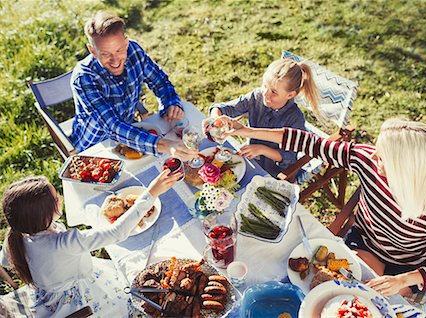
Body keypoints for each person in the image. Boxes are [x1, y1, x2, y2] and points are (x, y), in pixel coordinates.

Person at [224, 117, 426, 298]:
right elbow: (308, 142)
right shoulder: (368, 160)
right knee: (334, 289)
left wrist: (402, 280)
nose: (373, 156)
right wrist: (245, 131)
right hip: (365, 243)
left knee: (375, 302)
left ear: (406, 168)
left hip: (407, 269)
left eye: (383, 158)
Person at [0, 170, 180, 317]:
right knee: (123, 298)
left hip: (48, 299)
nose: (61, 199)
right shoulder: (64, 242)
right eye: (56, 199)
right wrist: (151, 193)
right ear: (42, 215)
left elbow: (4, 262)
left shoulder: (15, 238)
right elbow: (116, 232)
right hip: (84, 299)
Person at [71, 11, 195, 160]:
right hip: (97, 145)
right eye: (105, 54)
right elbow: (113, 127)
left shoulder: (134, 50)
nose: (115, 61)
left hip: (132, 131)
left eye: (119, 50)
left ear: (126, 42)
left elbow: (160, 82)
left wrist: (170, 102)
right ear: (93, 51)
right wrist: (164, 145)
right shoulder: (83, 77)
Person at [209, 58, 320, 177]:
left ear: (290, 95)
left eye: (274, 92)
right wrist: (217, 117)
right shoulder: (256, 97)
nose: (266, 93)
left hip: (274, 173)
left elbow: (290, 159)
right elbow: (224, 108)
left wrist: (261, 149)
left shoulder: (295, 118)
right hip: (248, 160)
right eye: (265, 85)